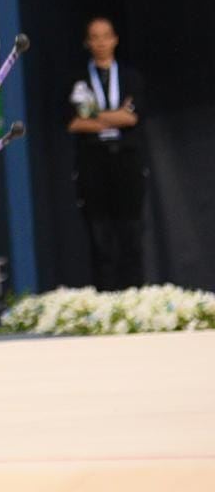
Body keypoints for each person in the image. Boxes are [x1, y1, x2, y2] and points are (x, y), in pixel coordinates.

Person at [67, 16, 146, 290]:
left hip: (125, 160)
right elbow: (75, 122)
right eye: (95, 37)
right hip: (93, 160)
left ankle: (135, 296)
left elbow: (131, 119)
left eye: (106, 36)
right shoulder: (77, 79)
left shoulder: (130, 77)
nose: (101, 42)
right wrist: (115, 115)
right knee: (99, 235)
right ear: (88, 43)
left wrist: (95, 115)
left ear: (115, 39)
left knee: (131, 232)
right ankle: (105, 299)